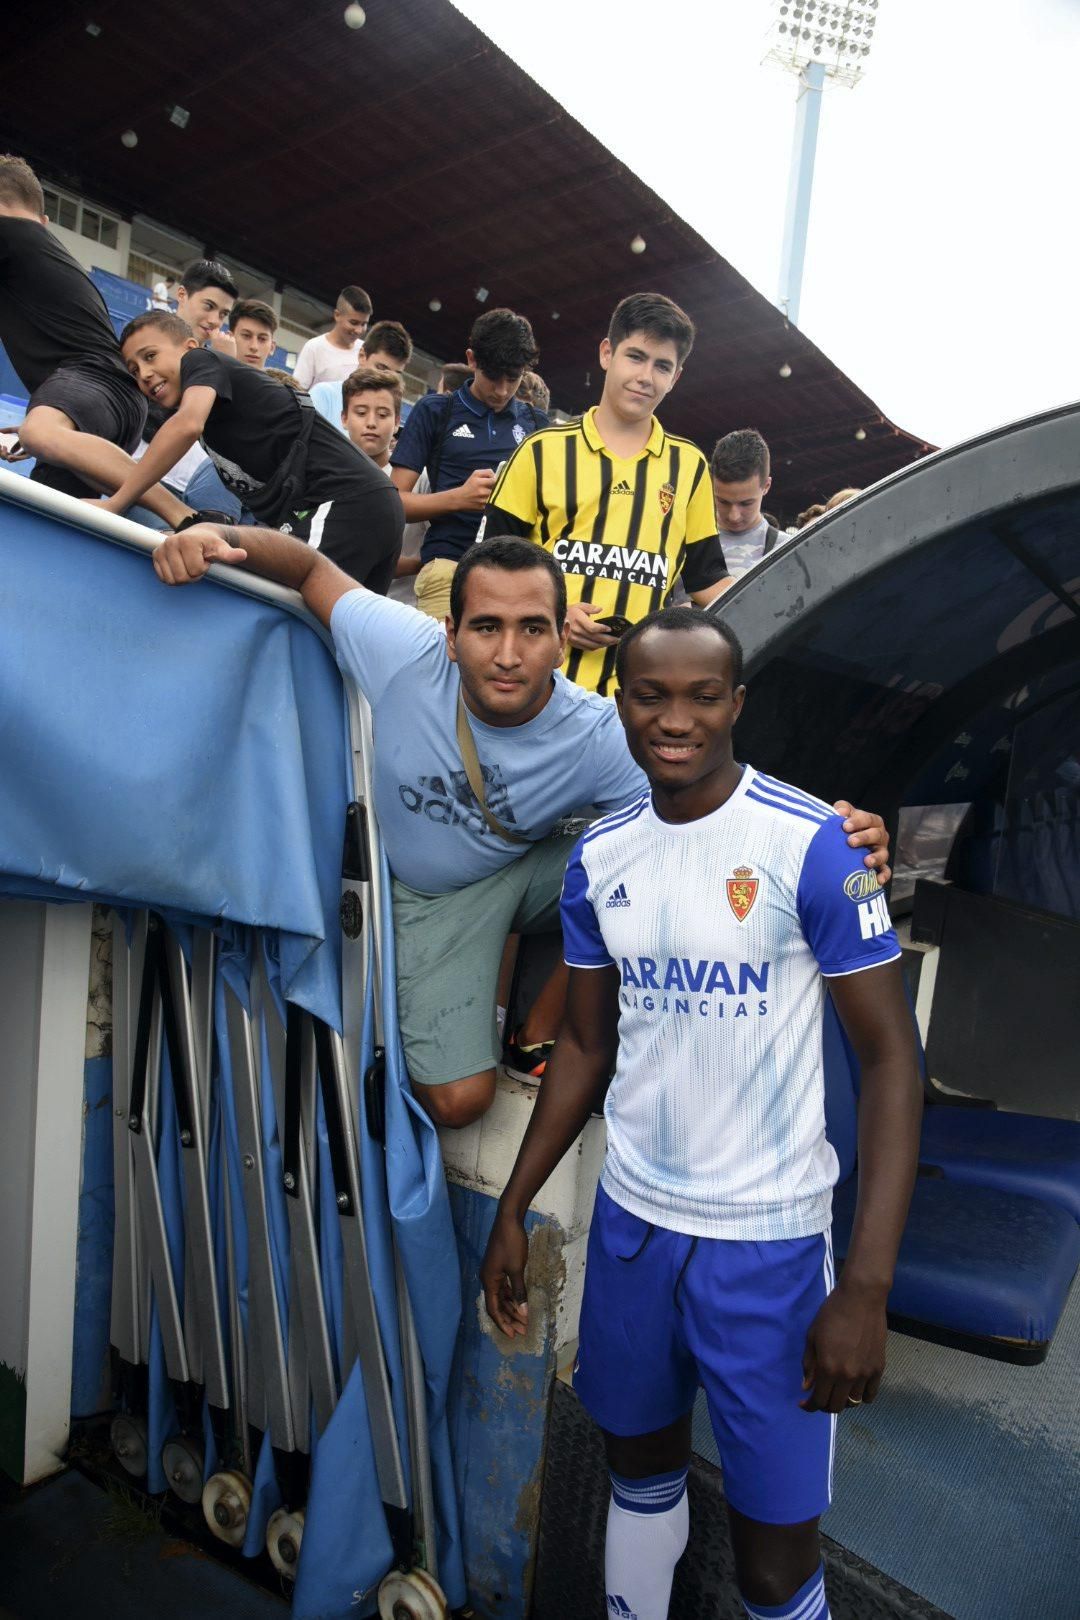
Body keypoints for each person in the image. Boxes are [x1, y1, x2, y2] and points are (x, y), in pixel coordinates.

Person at [148, 527, 894, 1132]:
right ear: (450, 634)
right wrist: (208, 533)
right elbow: (309, 567)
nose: (508, 654)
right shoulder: (401, 651)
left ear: (562, 642)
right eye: (487, 627)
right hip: (438, 894)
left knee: (642, 860)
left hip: (542, 864)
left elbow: (712, 795)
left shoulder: (598, 729)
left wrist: (833, 838)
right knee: (459, 1103)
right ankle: (506, 979)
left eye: (532, 628)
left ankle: (538, 1021)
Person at [481, 605, 922, 1620]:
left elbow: (892, 1060)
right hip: (635, 1233)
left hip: (767, 1250)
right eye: (651, 694)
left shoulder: (812, 842)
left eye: (702, 694)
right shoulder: (602, 857)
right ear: (622, 702)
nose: (675, 717)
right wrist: (515, 1205)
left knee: (776, 1566)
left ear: (737, 703)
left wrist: (865, 1287)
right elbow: (588, 1046)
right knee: (638, 1485)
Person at [479, 292, 732, 697]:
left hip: (634, 698)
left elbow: (709, 580)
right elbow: (487, 569)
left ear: (676, 377)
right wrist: (553, 613)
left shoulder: (690, 467)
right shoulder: (540, 451)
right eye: (635, 356)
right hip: (540, 685)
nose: (646, 376)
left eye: (662, 365)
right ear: (606, 353)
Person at [104, 311, 403, 590]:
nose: (144, 373)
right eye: (134, 369)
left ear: (189, 346)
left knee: (292, 608)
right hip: (358, 508)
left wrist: (115, 503)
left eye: (151, 356)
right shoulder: (218, 424)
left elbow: (186, 425)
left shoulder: (200, 359)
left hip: (346, 501)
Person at [0, 153, 187, 525]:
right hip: (112, 405)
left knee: (40, 432)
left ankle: (182, 515)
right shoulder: (39, 248)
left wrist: (50, 429)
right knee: (52, 517)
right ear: (45, 220)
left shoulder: (13, 234)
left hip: (93, 381)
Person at [390, 308, 546, 622]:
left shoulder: (536, 423)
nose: (502, 390)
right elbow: (391, 502)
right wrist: (459, 498)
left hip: (515, 579)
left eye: (513, 379)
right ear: (472, 359)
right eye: (493, 377)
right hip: (448, 568)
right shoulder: (436, 411)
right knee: (442, 670)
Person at [709, 428, 788, 579]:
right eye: (723, 501)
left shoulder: (785, 551)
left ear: (766, 486)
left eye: (746, 504)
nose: (734, 516)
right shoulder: (684, 544)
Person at [308, 319, 414, 430]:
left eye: (395, 374)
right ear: (362, 356)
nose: (387, 379)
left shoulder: (390, 417)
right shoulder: (324, 395)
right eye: (381, 369)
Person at [292, 285, 373, 390]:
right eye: (354, 323)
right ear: (337, 315)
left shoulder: (367, 351)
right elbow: (298, 391)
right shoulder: (314, 348)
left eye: (364, 324)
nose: (358, 330)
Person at [340, 365, 401, 469]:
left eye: (382, 414)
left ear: (396, 422)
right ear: (344, 419)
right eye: (361, 413)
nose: (371, 423)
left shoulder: (418, 478)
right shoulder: (322, 470)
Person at [174, 258, 239, 352]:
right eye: (209, 306)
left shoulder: (220, 362)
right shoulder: (148, 341)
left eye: (223, 314)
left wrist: (224, 363)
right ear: (182, 295)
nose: (215, 321)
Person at [227, 298, 278, 369]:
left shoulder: (279, 380)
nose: (254, 347)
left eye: (262, 339)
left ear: (272, 348)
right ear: (229, 338)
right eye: (246, 336)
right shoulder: (208, 377)